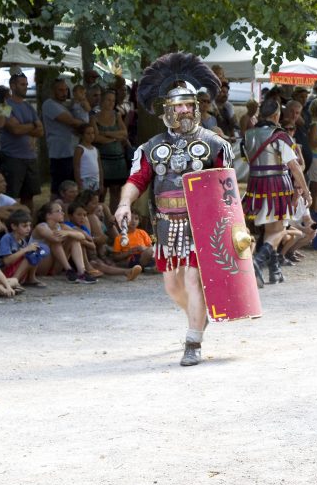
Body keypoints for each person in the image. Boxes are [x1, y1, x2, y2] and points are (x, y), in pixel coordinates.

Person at [114, 53, 233, 366]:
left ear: (196, 107)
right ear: (167, 110)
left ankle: (193, 341)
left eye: (188, 105)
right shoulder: (151, 148)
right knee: (172, 285)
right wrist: (125, 203)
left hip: (202, 224)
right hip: (167, 224)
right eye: (177, 105)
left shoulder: (215, 144)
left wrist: (235, 229)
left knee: (194, 280)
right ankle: (197, 316)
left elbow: (227, 189)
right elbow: (136, 179)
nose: (183, 110)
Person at [243, 97, 311, 285]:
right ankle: (257, 262)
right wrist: (305, 191)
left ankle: (275, 271)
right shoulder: (280, 135)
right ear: (276, 115)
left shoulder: (248, 135)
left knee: (269, 230)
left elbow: (245, 159)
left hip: (256, 185)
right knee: (279, 230)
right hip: (277, 185)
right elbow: (295, 167)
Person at [0, 69, 43, 212]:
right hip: (12, 158)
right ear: (13, 86)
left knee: (29, 197)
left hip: (30, 157)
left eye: (26, 84)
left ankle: (28, 227)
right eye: (22, 84)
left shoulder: (29, 106)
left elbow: (41, 131)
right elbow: (15, 130)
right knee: (10, 197)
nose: (25, 87)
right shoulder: (2, 106)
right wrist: (32, 126)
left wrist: (23, 126)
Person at [33, 201, 96, 283]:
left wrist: (68, 233)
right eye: (58, 211)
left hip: (55, 268)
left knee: (74, 239)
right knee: (55, 241)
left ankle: (82, 272)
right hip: (41, 266)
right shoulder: (41, 227)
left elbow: (81, 236)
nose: (62, 213)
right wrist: (70, 235)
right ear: (48, 215)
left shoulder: (61, 226)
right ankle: (69, 269)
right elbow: (55, 239)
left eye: (62, 210)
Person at [42, 79, 84, 195]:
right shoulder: (49, 104)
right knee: (59, 190)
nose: (64, 93)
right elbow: (72, 122)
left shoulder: (65, 106)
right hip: (59, 154)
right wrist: (81, 124)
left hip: (71, 152)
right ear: (52, 91)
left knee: (72, 189)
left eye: (66, 90)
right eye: (60, 90)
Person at [93, 89, 131, 212]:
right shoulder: (94, 118)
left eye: (113, 100)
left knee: (116, 191)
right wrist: (115, 137)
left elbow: (124, 133)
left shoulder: (117, 115)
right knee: (101, 192)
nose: (111, 103)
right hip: (102, 160)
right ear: (102, 101)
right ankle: (100, 217)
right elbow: (96, 137)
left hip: (118, 160)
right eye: (108, 100)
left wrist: (107, 133)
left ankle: (114, 218)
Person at [0, 210, 48, 287]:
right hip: (3, 273)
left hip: (16, 270)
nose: (28, 228)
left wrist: (29, 250)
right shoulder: (7, 238)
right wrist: (25, 250)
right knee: (30, 255)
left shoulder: (23, 240)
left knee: (37, 251)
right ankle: (14, 281)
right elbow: (6, 261)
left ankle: (30, 278)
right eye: (24, 226)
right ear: (14, 226)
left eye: (29, 225)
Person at [73, 123, 103, 194]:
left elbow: (100, 167)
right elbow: (76, 167)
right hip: (85, 180)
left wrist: (101, 183)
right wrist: (79, 184)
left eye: (93, 133)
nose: (91, 136)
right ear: (82, 135)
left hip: (96, 179)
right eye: (88, 134)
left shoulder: (95, 149)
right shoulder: (80, 149)